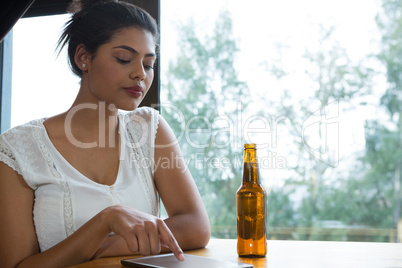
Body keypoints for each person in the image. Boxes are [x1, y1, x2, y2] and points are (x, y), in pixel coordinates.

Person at [0, 0, 210, 267]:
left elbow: (196, 225)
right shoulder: (17, 149)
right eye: (124, 59)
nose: (139, 75)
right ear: (83, 58)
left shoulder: (149, 127)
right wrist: (104, 222)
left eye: (148, 64)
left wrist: (110, 244)